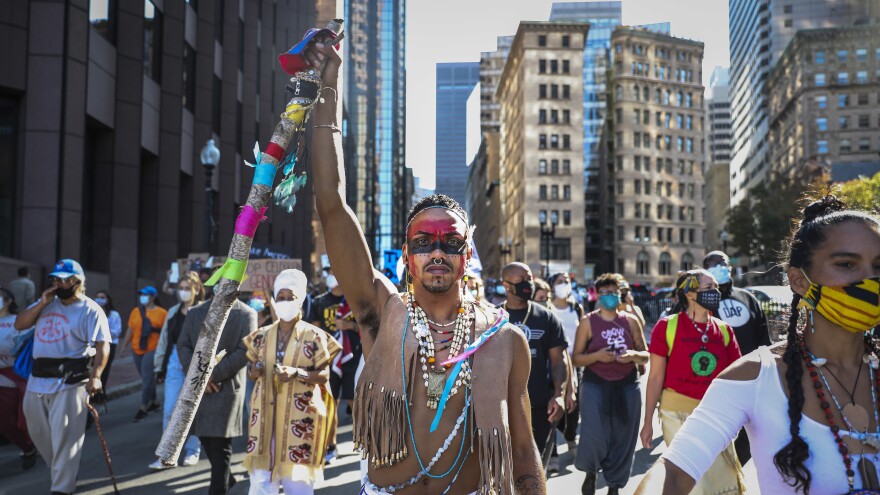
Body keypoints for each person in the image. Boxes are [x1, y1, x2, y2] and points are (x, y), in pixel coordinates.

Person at [306, 32, 543, 494]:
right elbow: (331, 203)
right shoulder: (379, 314)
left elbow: (521, 449)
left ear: (467, 255)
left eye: (450, 241)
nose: (437, 251)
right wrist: (328, 88)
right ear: (408, 257)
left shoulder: (504, 339)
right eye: (424, 241)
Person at [636, 196, 880, 494]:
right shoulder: (754, 377)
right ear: (799, 281)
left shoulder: (737, 313)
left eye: (879, 266)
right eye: (847, 264)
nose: (870, 279)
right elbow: (673, 473)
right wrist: (649, 420)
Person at [639, 269, 745, 495]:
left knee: (723, 481)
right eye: (708, 288)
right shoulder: (667, 327)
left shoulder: (725, 330)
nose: (715, 292)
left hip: (715, 415)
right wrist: (647, 421)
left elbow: (735, 378)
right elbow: (655, 376)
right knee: (695, 481)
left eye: (716, 288)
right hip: (675, 413)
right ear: (689, 293)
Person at [16, 259, 110, 495]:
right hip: (37, 379)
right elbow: (20, 324)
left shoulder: (91, 309)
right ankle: (63, 471)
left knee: (66, 439)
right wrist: (41, 304)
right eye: (56, 279)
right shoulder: (46, 304)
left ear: (78, 282)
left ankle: (62, 488)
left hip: (70, 381)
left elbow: (102, 345)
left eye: (65, 279)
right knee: (37, 431)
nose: (59, 283)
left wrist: (96, 376)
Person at [242, 269, 340, 495]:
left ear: (300, 301)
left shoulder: (315, 336)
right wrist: (254, 371)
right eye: (281, 298)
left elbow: (324, 375)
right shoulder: (261, 336)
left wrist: (298, 374)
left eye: (291, 298)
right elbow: (250, 370)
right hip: (265, 417)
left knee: (298, 483)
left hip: (300, 418)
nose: (285, 302)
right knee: (261, 482)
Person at [570, 273, 648, 495]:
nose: (609, 296)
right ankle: (591, 472)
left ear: (619, 294)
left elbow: (645, 355)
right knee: (595, 433)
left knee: (624, 436)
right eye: (604, 292)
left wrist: (633, 354)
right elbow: (576, 358)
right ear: (597, 295)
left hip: (626, 384)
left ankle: (614, 484)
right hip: (596, 383)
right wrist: (597, 356)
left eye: (613, 292)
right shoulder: (588, 321)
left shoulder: (630, 321)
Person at [177, 284, 257, 494]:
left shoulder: (246, 314)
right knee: (204, 437)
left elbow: (245, 350)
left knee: (221, 446)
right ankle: (227, 477)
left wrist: (214, 374)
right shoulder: (196, 312)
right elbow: (183, 344)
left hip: (227, 387)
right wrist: (198, 375)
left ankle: (218, 488)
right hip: (198, 387)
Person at [501, 262, 568, 473]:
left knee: (535, 469)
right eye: (521, 281)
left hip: (538, 406)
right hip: (502, 406)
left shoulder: (546, 317)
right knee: (505, 469)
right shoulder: (493, 317)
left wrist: (559, 394)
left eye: (529, 279)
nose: (528, 285)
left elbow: (559, 361)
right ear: (506, 285)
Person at [148, 271, 206, 469]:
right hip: (174, 361)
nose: (183, 292)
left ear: (196, 289)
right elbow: (164, 340)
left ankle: (192, 449)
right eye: (180, 288)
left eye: (187, 288)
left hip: (196, 361)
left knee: (193, 409)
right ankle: (166, 454)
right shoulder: (173, 312)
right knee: (170, 408)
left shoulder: (204, 311)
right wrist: (159, 366)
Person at [308, 266, 351, 463]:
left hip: (352, 357)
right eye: (330, 273)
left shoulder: (353, 301)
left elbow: (368, 327)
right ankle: (331, 445)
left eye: (336, 272)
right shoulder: (319, 301)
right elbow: (313, 330)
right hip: (327, 360)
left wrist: (350, 326)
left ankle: (365, 441)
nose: (333, 276)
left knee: (355, 402)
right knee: (329, 403)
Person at [546, 272, 585, 465]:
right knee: (553, 404)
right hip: (553, 364)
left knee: (574, 406)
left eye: (566, 282)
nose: (563, 285)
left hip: (574, 364)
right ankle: (552, 453)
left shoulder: (576, 308)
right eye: (559, 282)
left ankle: (570, 436)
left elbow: (584, 334)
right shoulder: (547, 308)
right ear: (552, 286)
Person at [0, 287, 37, 470]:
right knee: (6, 422)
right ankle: (27, 447)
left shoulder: (19, 321)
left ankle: (31, 445)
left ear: (8, 301)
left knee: (21, 420)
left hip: (15, 376)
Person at [121, 285, 167, 422]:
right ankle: (154, 402)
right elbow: (130, 330)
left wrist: (164, 351)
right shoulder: (135, 311)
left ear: (152, 297)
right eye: (141, 294)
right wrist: (124, 346)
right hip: (136, 349)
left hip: (153, 348)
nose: (142, 297)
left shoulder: (162, 313)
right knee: (147, 378)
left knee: (147, 378)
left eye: (145, 295)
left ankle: (143, 408)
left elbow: (165, 334)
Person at [92, 290, 122, 404]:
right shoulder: (92, 312)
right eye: (98, 297)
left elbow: (117, 331)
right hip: (94, 345)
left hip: (109, 344)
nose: (100, 299)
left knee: (104, 369)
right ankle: (94, 393)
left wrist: (104, 328)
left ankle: (101, 394)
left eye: (102, 297)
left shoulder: (114, 315)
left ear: (108, 299)